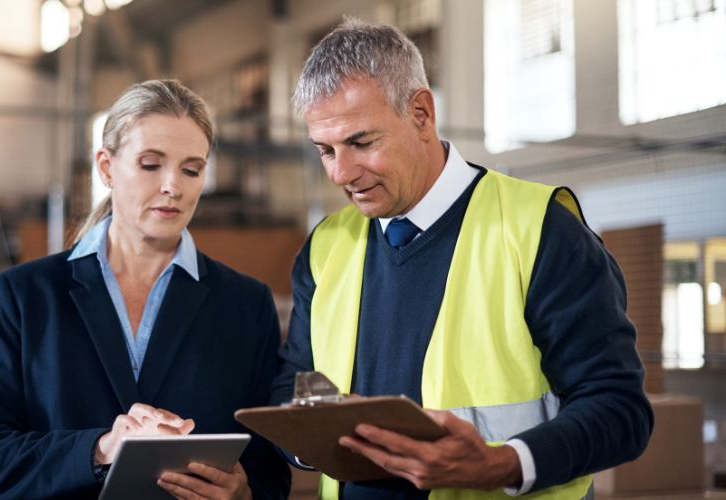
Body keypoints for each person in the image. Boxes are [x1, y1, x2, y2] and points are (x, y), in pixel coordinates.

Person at [269, 19, 653, 500]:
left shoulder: (539, 230)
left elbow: (620, 411)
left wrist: (501, 464)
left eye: (361, 142)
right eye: (325, 150)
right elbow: (294, 382)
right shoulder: (326, 246)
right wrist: (311, 442)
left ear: (421, 113)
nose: (342, 173)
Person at [0, 79, 291, 499]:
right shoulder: (22, 298)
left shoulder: (245, 305)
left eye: (192, 169)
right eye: (151, 164)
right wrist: (99, 449)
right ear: (106, 167)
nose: (174, 186)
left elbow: (269, 469)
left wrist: (244, 492)